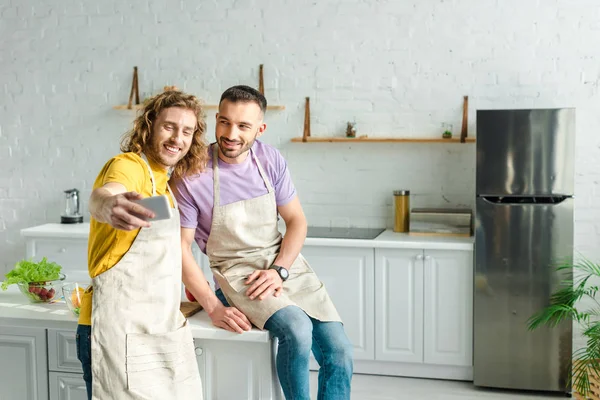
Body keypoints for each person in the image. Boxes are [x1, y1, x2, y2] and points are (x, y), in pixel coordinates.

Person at [173, 85, 353, 400]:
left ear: (261, 128)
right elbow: (180, 248)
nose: (231, 133)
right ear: (216, 119)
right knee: (297, 330)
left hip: (282, 265)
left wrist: (279, 270)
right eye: (225, 122)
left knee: (339, 351)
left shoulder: (270, 159)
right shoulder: (191, 173)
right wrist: (213, 307)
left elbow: (296, 221)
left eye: (243, 126)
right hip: (237, 273)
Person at [76, 90, 207, 400]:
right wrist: (108, 206)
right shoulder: (128, 166)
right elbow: (105, 195)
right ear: (149, 126)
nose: (178, 138)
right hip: (117, 332)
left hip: (158, 328)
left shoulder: (165, 182)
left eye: (186, 131)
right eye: (169, 126)